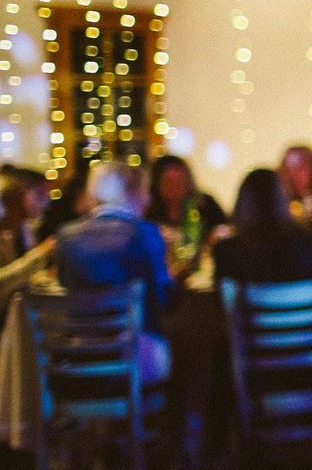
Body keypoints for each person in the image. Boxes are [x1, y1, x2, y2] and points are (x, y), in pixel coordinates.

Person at [53, 161, 173, 384]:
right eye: (145, 191)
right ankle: (170, 418)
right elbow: (164, 299)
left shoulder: (65, 236)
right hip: (133, 359)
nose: (149, 200)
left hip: (78, 359)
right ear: (131, 191)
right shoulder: (147, 233)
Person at [212, 168, 312, 285]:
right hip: (309, 306)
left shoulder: (225, 252)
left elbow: (223, 300)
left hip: (254, 306)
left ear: (241, 203)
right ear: (282, 199)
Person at [144, 155, 228, 278]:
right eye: (168, 182)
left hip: (202, 277)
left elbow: (224, 231)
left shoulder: (205, 205)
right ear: (157, 184)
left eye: (180, 181)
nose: (175, 187)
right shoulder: (149, 211)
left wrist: (219, 235)